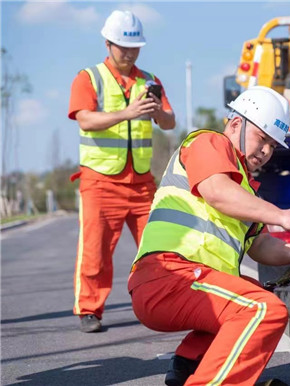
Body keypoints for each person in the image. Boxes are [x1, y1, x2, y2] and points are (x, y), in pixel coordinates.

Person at [128, 86, 290, 386]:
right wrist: (284, 215)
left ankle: (189, 367)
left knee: (254, 295)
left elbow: (260, 246)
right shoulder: (209, 143)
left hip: (188, 281)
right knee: (261, 310)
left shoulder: (244, 189)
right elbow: (217, 192)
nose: (266, 151)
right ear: (235, 125)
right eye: (262, 138)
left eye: (272, 145)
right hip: (167, 275)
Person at [68, 10, 175, 333]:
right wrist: (127, 113)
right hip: (100, 181)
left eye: (135, 47)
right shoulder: (88, 78)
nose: (129, 53)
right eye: (122, 47)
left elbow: (170, 123)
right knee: (96, 251)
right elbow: (85, 119)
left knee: (159, 246)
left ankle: (164, 302)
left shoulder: (150, 81)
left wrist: (157, 111)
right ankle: (89, 309)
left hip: (142, 182)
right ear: (108, 43)